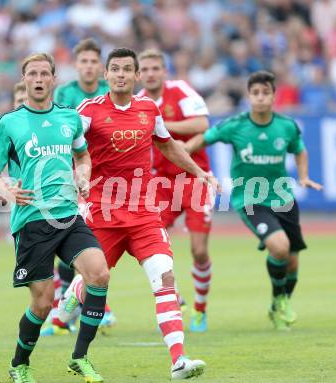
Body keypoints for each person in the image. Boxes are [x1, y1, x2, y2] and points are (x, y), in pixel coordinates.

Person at [58, 48, 219, 379]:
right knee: (95, 279)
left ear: (136, 77)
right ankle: (74, 291)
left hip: (144, 213)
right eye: (114, 69)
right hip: (103, 214)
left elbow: (169, 145)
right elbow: (68, 147)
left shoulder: (149, 108)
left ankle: (179, 360)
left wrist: (199, 173)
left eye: (126, 69)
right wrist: (77, 178)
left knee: (165, 278)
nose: (120, 74)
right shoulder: (88, 110)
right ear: (106, 75)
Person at [0, 52, 110, 383]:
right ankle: (20, 364)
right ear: (24, 79)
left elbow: (83, 155)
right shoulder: (8, 122)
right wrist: (6, 190)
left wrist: (83, 175)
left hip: (68, 216)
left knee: (99, 274)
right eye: (33, 74)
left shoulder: (69, 119)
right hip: (32, 222)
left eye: (45, 73)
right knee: (42, 303)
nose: (39, 79)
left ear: (54, 79)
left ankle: (79, 357)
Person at [185, 70, 322, 331]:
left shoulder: (286, 126)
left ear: (273, 96)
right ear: (249, 96)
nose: (260, 98)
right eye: (255, 93)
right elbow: (203, 139)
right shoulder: (235, 125)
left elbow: (300, 150)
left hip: (283, 198)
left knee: (292, 262)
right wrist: (182, 151)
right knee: (279, 247)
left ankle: (278, 303)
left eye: (265, 93)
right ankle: (281, 301)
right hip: (250, 199)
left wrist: (303, 176)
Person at [40, 38, 115, 337]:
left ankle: (85, 308)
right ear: (77, 65)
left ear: (101, 66)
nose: (88, 66)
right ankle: (72, 309)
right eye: (83, 61)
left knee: (94, 240)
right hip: (70, 176)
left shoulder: (110, 94)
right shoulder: (65, 94)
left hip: (106, 179)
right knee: (69, 241)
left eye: (93, 61)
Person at [138, 49, 213, 333]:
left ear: (164, 71)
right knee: (150, 243)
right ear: (138, 74)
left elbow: (202, 124)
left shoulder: (180, 90)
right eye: (144, 69)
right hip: (160, 184)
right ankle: (175, 295)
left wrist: (160, 126)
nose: (150, 73)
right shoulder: (137, 102)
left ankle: (200, 309)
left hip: (194, 179)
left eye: (155, 68)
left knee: (199, 250)